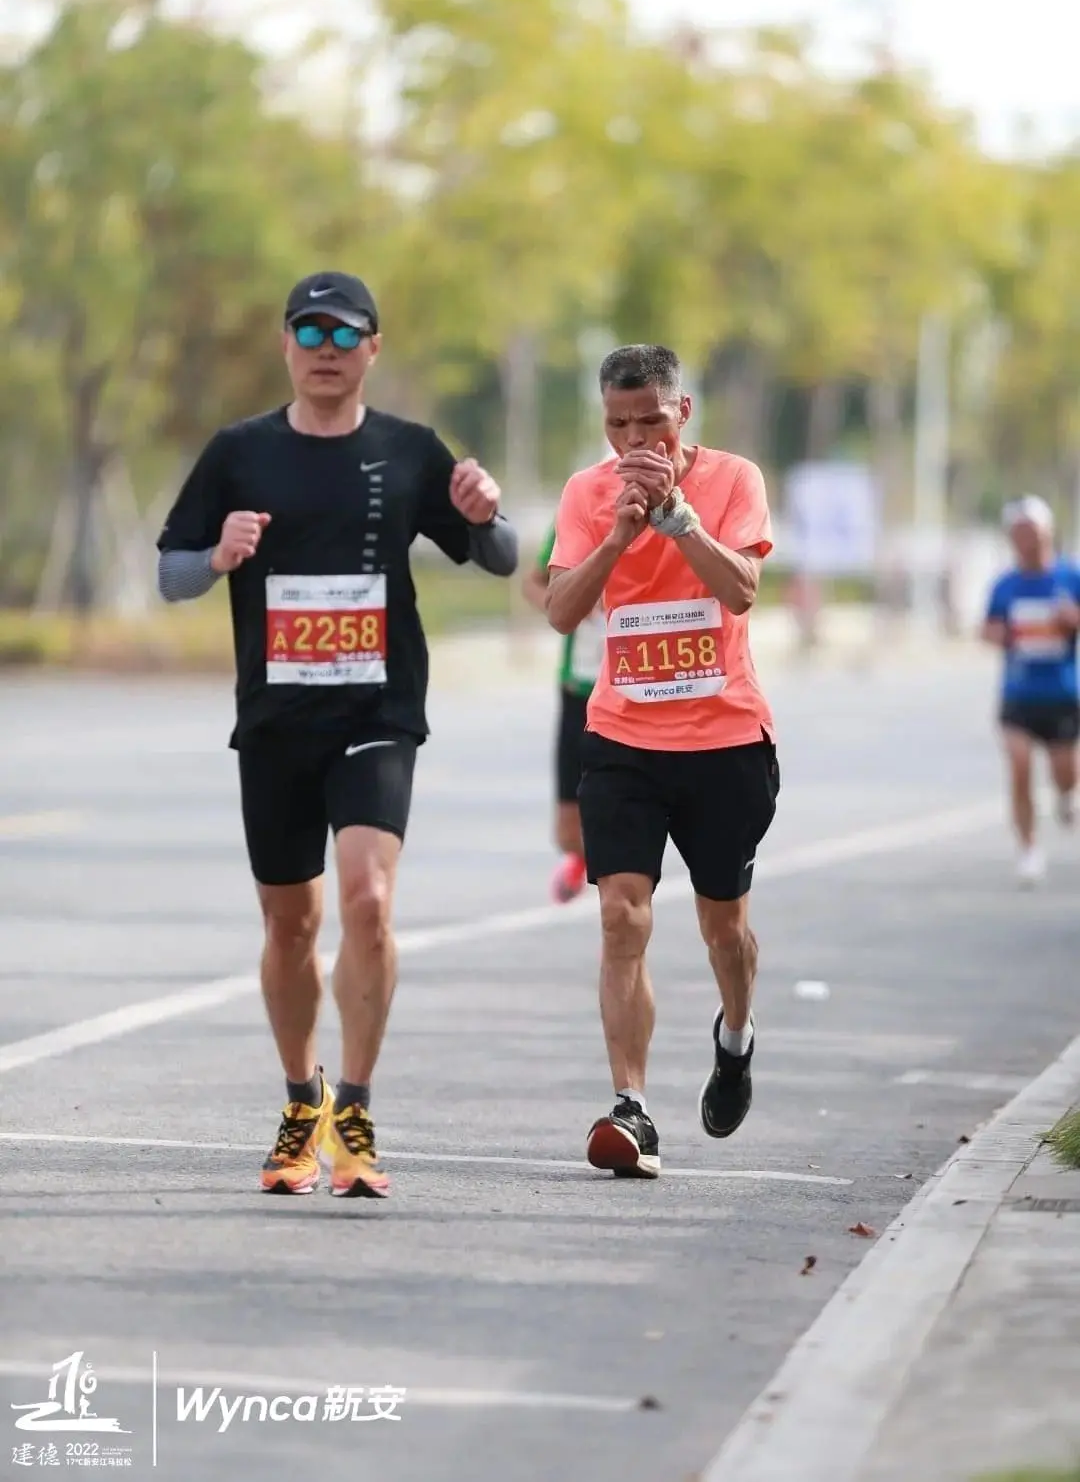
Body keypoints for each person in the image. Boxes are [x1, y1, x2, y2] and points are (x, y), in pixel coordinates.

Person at [156, 270, 518, 1198]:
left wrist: (485, 515)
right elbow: (171, 574)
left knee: (367, 900)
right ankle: (299, 1098)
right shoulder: (239, 452)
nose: (325, 349)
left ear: (372, 349)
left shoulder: (409, 450)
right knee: (292, 922)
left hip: (376, 711)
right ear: (286, 345)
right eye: (308, 332)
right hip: (277, 720)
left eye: (343, 334)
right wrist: (217, 556)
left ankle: (354, 1105)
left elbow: (501, 553)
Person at [545, 344, 779, 1179]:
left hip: (724, 742)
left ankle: (737, 1034)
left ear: (681, 414)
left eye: (649, 420)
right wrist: (616, 536)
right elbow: (562, 611)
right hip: (623, 738)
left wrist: (681, 521)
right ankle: (631, 1108)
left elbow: (744, 588)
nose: (634, 439)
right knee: (622, 917)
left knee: (726, 932)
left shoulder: (733, 478)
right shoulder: (586, 492)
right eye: (617, 424)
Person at [981, 495, 1080, 886]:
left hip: (1062, 694)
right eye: (1018, 533)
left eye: (1032, 532)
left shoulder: (1070, 578)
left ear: (1047, 533)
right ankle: (1028, 848)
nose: (1026, 540)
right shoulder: (1005, 585)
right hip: (1018, 694)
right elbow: (987, 629)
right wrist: (1005, 633)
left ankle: (1065, 794)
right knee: (1019, 766)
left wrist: (1071, 621)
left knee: (1064, 771)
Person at [522, 518, 607, 903]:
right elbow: (533, 583)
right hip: (579, 687)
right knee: (568, 833)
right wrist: (563, 606)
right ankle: (586, 859)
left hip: (632, 691)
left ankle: (621, 877)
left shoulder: (659, 513)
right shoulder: (576, 513)